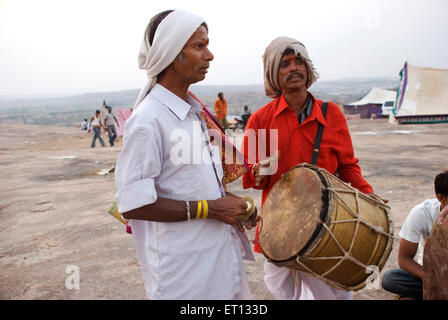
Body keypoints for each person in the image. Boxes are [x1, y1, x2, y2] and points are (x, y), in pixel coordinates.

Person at [114, 9, 256, 300]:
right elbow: (132, 204)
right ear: (171, 53)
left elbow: (189, 185)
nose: (210, 55)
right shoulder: (148, 120)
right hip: (183, 277)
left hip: (217, 263)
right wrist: (211, 209)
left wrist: (227, 203)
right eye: (199, 46)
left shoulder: (192, 114)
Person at [241, 36, 378, 300]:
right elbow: (250, 176)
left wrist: (369, 199)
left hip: (328, 222)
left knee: (335, 292)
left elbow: (348, 168)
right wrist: (258, 172)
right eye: (284, 64)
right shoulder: (260, 120)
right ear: (273, 74)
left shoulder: (331, 114)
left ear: (307, 69)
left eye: (299, 62)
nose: (294, 68)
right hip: (279, 225)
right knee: (282, 292)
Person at [382, 171, 448, 300]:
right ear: (441, 198)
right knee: (390, 279)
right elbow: (404, 260)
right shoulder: (422, 212)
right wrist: (435, 280)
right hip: (432, 275)